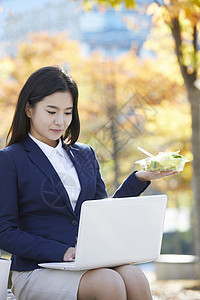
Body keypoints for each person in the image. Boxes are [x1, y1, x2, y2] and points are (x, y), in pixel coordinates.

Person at [0, 66, 179, 300]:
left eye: (68, 112)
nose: (60, 121)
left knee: (135, 277)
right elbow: (4, 232)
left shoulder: (85, 154)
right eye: (51, 111)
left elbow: (102, 215)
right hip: (37, 269)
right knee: (108, 283)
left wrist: (139, 179)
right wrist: (63, 252)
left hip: (86, 263)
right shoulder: (10, 159)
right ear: (29, 109)